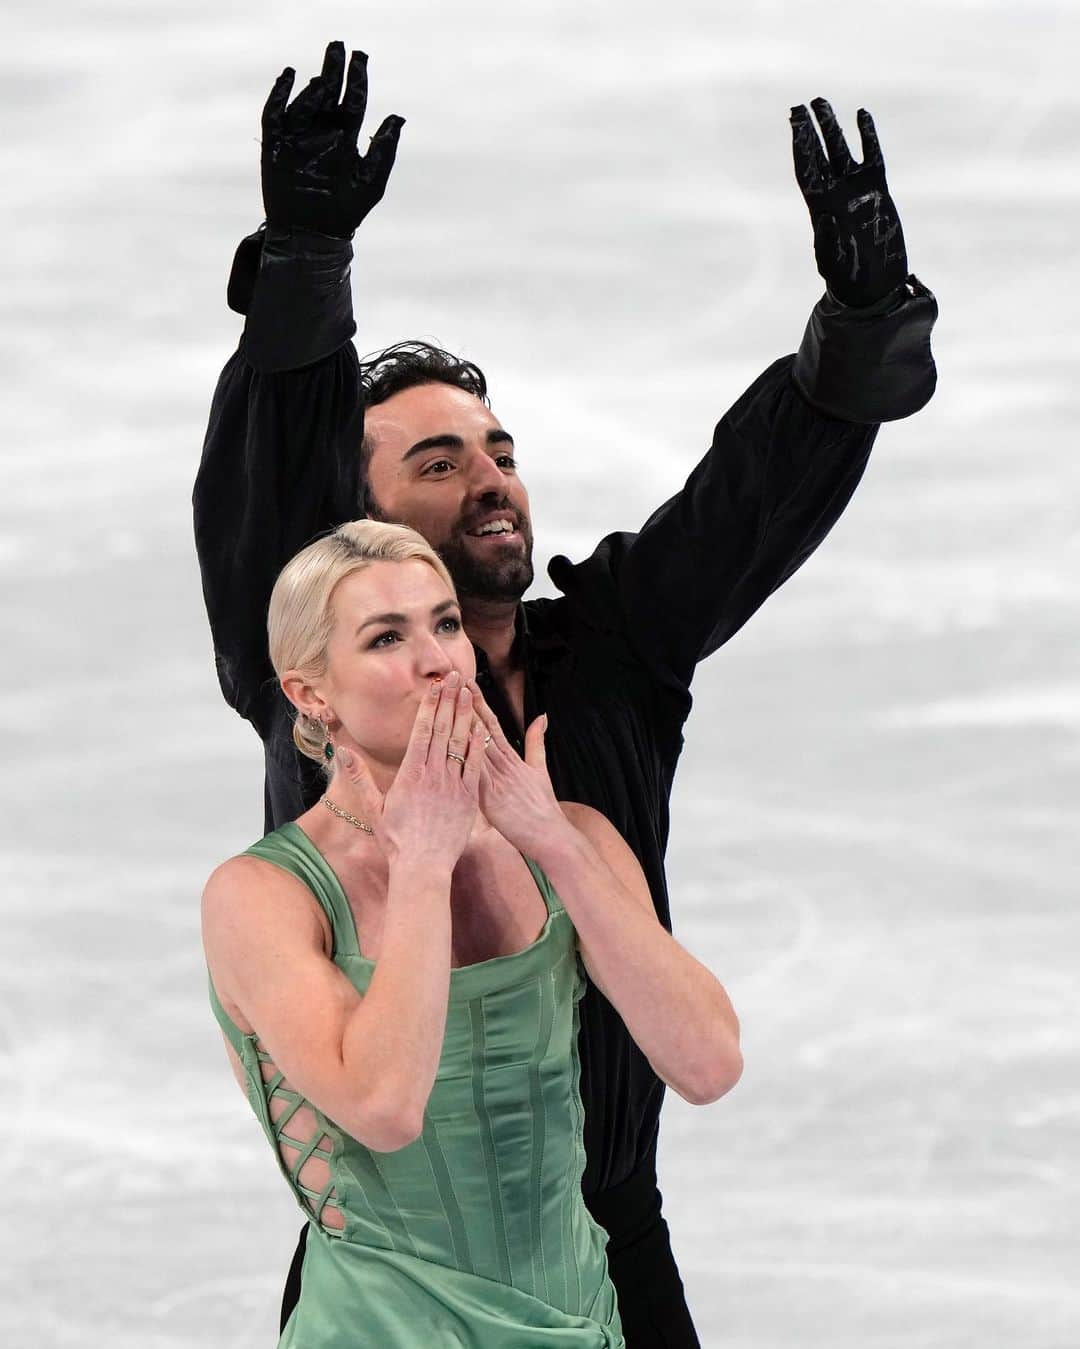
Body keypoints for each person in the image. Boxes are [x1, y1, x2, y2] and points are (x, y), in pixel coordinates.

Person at [194, 41, 938, 1348]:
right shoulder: (312, 678)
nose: (490, 480)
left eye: (500, 451)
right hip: (397, 1273)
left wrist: (859, 334)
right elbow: (269, 519)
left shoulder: (611, 646)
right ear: (360, 519)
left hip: (606, 1251)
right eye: (437, 461)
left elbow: (745, 503)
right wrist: (305, 271)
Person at [202, 520, 743, 1348]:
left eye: (446, 623)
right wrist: (421, 863)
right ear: (311, 692)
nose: (439, 660)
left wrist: (554, 840)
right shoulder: (261, 895)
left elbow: (708, 1063)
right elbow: (384, 1107)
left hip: (582, 1316)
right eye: (387, 636)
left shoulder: (568, 837)